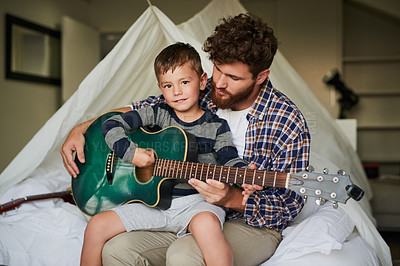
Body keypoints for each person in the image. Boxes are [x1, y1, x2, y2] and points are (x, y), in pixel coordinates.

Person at [61, 13, 311, 266]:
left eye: (233, 78)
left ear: (260, 76)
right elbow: (134, 112)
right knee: (116, 249)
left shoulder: (287, 121)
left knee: (185, 255)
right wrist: (81, 129)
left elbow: (288, 205)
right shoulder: (197, 91)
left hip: (246, 221)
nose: (220, 83)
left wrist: (233, 198)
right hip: (170, 202)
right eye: (218, 70)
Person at [80, 42, 249, 266]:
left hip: (196, 204)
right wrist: (132, 154)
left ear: (202, 81)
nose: (176, 91)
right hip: (154, 205)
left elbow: (230, 159)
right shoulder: (157, 113)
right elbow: (111, 124)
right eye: (168, 86)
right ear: (160, 88)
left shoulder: (216, 126)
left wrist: (246, 174)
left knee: (208, 226)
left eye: (185, 82)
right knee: (96, 226)